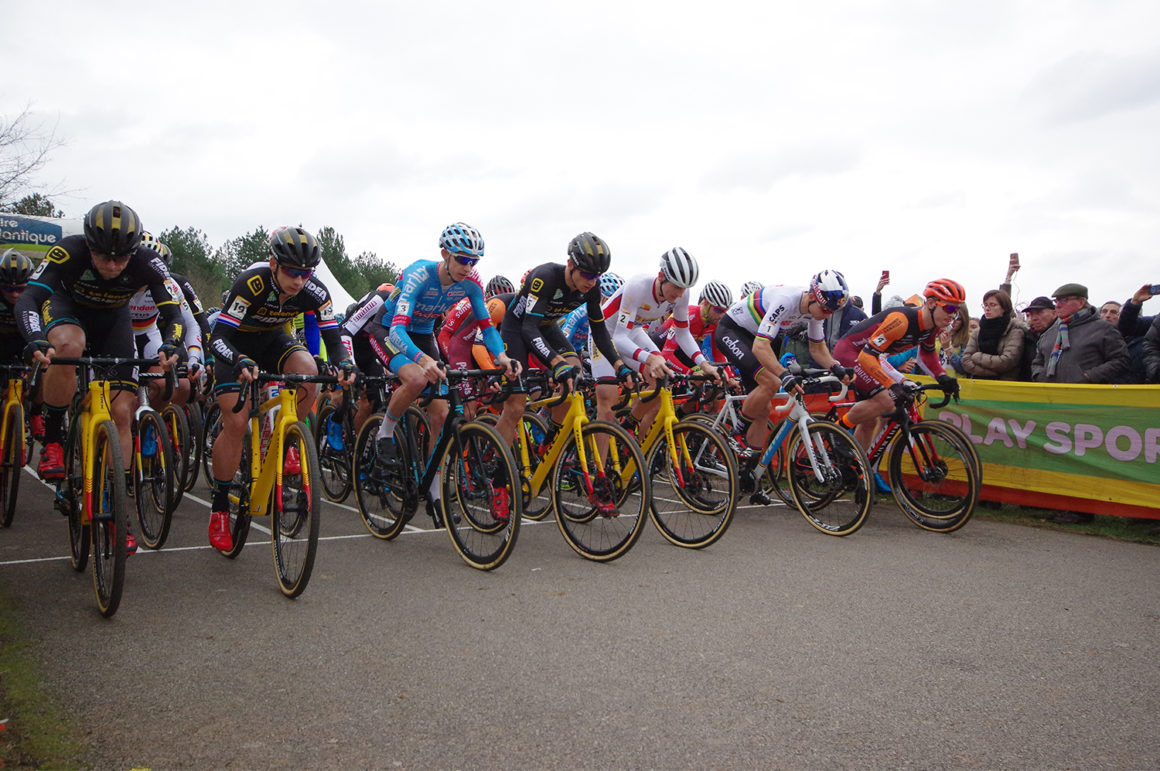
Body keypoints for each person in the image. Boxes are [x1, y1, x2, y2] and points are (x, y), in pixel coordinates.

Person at [207, 226, 356, 551]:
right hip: (236, 346)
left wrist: (345, 363)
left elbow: (333, 340)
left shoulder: (316, 291)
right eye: (292, 271)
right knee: (236, 423)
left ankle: (287, 440)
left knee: (308, 371)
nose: (299, 280)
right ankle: (219, 506)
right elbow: (217, 337)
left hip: (273, 340)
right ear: (273, 263)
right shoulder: (252, 282)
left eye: (306, 273)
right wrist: (238, 360)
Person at [370, 223, 518, 525]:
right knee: (416, 378)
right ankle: (384, 432)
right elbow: (397, 330)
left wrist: (502, 357)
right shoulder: (418, 275)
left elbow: (487, 327)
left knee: (441, 414)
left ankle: (435, 492)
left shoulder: (472, 283)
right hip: (388, 329)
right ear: (444, 254)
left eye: (474, 261)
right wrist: (423, 360)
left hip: (423, 334)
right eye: (462, 259)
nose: (468, 267)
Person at [494, 233, 634, 464]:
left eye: (597, 276)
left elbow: (599, 331)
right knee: (516, 406)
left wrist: (619, 366)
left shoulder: (592, 288)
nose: (592, 281)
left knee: (573, 376)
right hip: (518, 328)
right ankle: (498, 472)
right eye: (587, 274)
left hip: (547, 327)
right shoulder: (545, 277)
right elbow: (529, 328)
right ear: (570, 264)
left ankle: (549, 440)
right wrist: (556, 363)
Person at [714, 270, 850, 460]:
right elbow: (760, 347)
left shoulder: (815, 311)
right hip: (732, 330)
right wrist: (784, 375)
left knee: (763, 408)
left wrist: (836, 367)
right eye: (826, 310)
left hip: (755, 336)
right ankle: (737, 433)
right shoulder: (786, 300)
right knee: (771, 382)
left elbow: (817, 349)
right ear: (812, 297)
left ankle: (749, 467)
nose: (827, 316)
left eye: (832, 312)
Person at [591, 248, 720, 438]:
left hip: (634, 332)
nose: (680, 293)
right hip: (604, 334)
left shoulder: (682, 294)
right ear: (661, 276)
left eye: (684, 288)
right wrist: (651, 359)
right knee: (608, 406)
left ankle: (631, 435)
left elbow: (683, 334)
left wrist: (704, 364)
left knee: (662, 383)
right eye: (676, 287)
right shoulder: (638, 286)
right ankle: (601, 455)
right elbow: (618, 338)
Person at [833, 278, 963, 455]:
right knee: (885, 400)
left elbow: (927, 354)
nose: (953, 315)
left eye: (957, 311)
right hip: (851, 352)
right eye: (949, 309)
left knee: (870, 420)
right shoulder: (901, 321)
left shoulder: (932, 327)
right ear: (931, 303)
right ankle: (838, 432)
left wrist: (942, 377)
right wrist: (891, 384)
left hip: (872, 356)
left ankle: (856, 466)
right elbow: (866, 356)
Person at [1031, 283, 1129, 384]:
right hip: (1052, 392)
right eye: (1056, 301)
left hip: (1087, 392)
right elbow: (1037, 363)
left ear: (1081, 302)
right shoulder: (1049, 334)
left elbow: (1121, 360)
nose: (1058, 305)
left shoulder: (1104, 329)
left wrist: (1088, 376)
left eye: (1064, 300)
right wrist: (1041, 376)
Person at [960, 289, 1027, 380]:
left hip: (1005, 384)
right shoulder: (977, 332)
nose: (987, 308)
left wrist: (977, 356)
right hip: (978, 383)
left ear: (1004, 308)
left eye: (993, 305)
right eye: (985, 305)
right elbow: (965, 361)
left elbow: (1006, 362)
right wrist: (989, 373)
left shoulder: (1015, 331)